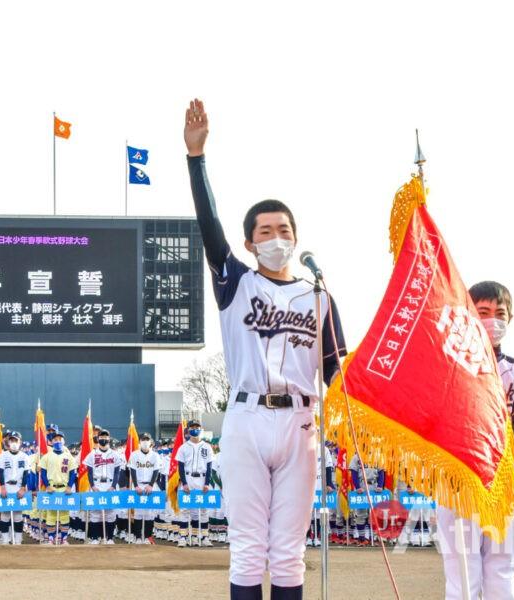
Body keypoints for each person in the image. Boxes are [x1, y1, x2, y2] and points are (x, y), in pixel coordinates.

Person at [185, 98, 347, 598]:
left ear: (296, 238)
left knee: (289, 550)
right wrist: (197, 158)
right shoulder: (235, 281)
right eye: (265, 232)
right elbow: (210, 228)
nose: (277, 237)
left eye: (284, 230)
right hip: (248, 419)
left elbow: (335, 371)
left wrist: (356, 414)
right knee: (249, 546)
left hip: (301, 422)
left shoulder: (317, 294)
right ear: (251, 243)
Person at [435, 281, 514, 600]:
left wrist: (486, 461)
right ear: (468, 315)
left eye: (500, 313)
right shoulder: (445, 367)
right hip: (456, 475)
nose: (492, 320)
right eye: (483, 312)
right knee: (461, 570)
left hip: (502, 474)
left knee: (502, 567)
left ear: (510, 319)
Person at [175, 419, 214, 548]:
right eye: (192, 427)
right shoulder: (183, 447)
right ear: (188, 430)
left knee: (203, 510)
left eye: (197, 427)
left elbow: (209, 466)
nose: (195, 429)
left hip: (202, 479)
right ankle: (183, 537)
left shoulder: (207, 446)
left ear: (200, 429)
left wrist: (207, 483)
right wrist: (184, 483)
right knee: (186, 509)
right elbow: (180, 467)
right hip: (188, 478)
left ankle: (203, 537)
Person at [39, 430, 77, 545]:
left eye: (60, 439)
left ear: (64, 441)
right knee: (51, 514)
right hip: (52, 489)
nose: (58, 441)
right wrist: (47, 486)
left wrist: (70, 486)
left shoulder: (69, 457)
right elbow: (43, 473)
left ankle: (63, 539)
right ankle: (51, 538)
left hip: (64, 489)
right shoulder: (46, 456)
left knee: (65, 515)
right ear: (51, 441)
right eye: (55, 439)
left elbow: (73, 473)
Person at [0, 431, 32, 545]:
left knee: (18, 515)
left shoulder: (24, 456)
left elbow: (26, 473)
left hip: (18, 486)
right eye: (12, 440)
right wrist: (2, 487)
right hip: (6, 485)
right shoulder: (3, 455)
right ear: (8, 442)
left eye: (16, 440)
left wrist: (22, 488)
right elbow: (0, 471)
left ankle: (18, 539)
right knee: (5, 515)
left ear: (20, 442)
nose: (14, 443)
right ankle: (5, 539)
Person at [129, 432, 161, 544]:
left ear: (151, 442)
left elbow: (156, 471)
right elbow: (132, 470)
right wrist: (136, 485)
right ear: (140, 441)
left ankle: (147, 536)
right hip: (138, 484)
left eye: (147, 439)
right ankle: (137, 536)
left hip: (150, 485)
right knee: (138, 512)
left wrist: (151, 485)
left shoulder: (155, 455)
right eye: (143, 439)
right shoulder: (134, 454)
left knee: (149, 513)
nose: (145, 441)